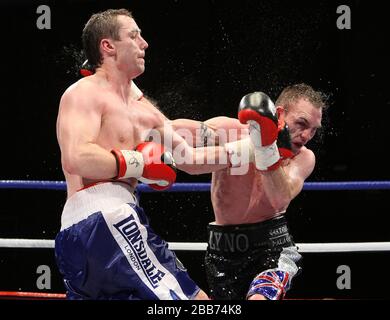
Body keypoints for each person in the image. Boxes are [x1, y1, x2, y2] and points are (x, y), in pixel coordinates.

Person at [55, 8, 242, 300]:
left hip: (88, 236)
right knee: (195, 301)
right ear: (108, 46)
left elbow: (190, 160)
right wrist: (140, 162)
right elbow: (77, 157)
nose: (144, 43)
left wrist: (247, 151)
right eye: (134, 36)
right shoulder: (84, 93)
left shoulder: (147, 113)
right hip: (105, 218)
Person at [172, 83, 326, 300]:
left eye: (314, 129)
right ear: (279, 114)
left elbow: (280, 199)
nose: (307, 135)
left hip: (273, 248)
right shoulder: (231, 131)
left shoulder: (303, 158)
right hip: (222, 250)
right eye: (302, 123)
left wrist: (266, 150)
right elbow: (167, 132)